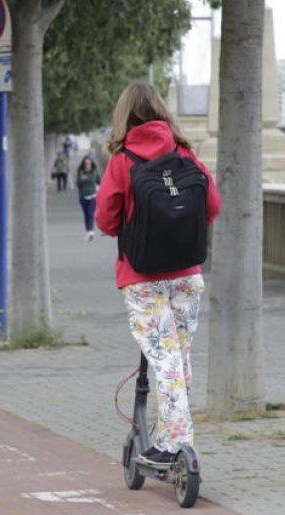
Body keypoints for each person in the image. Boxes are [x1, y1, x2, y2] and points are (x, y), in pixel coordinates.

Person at [94, 82, 221, 466]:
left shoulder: (123, 160)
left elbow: (105, 219)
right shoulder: (185, 153)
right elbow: (212, 205)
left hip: (142, 276)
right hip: (187, 273)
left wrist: (136, 229)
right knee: (179, 357)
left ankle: (176, 443)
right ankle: (168, 436)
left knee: (162, 358)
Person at [74, 156, 100, 241]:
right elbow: (78, 184)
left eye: (89, 163)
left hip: (93, 196)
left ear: (91, 164)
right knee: (86, 214)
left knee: (90, 214)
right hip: (83, 196)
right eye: (86, 163)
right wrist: (81, 179)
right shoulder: (81, 172)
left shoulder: (94, 172)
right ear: (84, 164)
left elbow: (100, 182)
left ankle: (91, 231)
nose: (87, 165)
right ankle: (88, 231)